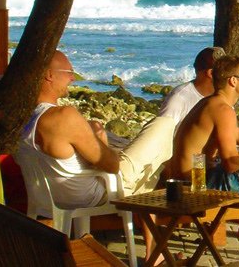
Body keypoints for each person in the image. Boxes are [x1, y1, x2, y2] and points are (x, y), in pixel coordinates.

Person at [18, 50, 175, 263]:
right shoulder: (64, 116)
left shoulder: (26, 115)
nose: (73, 78)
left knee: (149, 168)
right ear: (48, 75)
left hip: (49, 195)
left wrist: (91, 132)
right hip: (93, 192)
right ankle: (153, 255)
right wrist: (101, 141)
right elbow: (111, 165)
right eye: (68, 72)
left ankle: (153, 254)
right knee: (164, 126)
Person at [167, 54, 239, 237]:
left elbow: (236, 134)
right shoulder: (223, 110)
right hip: (195, 186)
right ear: (232, 81)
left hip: (185, 178)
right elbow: (230, 163)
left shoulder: (211, 103)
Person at [158, 46, 225, 130]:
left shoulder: (223, 97)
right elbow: (161, 133)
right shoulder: (179, 98)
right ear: (211, 73)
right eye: (225, 70)